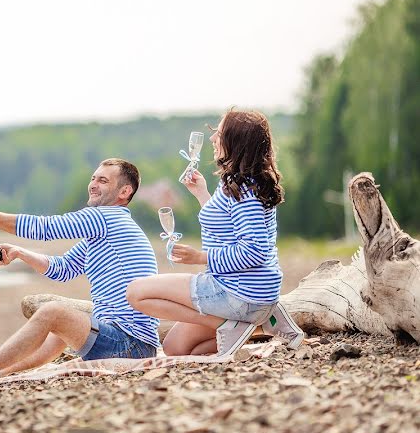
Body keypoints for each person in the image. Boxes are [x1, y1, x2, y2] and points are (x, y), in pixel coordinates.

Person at [0, 158, 160, 387]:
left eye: (103, 180)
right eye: (93, 178)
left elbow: (45, 228)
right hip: (127, 341)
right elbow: (63, 269)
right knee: (62, 322)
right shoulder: (103, 232)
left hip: (131, 346)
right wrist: (19, 253)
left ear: (124, 191)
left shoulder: (107, 218)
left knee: (53, 312)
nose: (93, 184)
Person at [126, 109, 304, 356]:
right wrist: (201, 193)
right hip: (254, 295)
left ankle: (228, 325)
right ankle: (256, 329)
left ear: (235, 142)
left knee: (136, 293)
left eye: (218, 134)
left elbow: (254, 251)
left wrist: (200, 257)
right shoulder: (239, 183)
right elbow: (225, 228)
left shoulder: (244, 192)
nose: (212, 139)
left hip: (238, 293)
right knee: (175, 348)